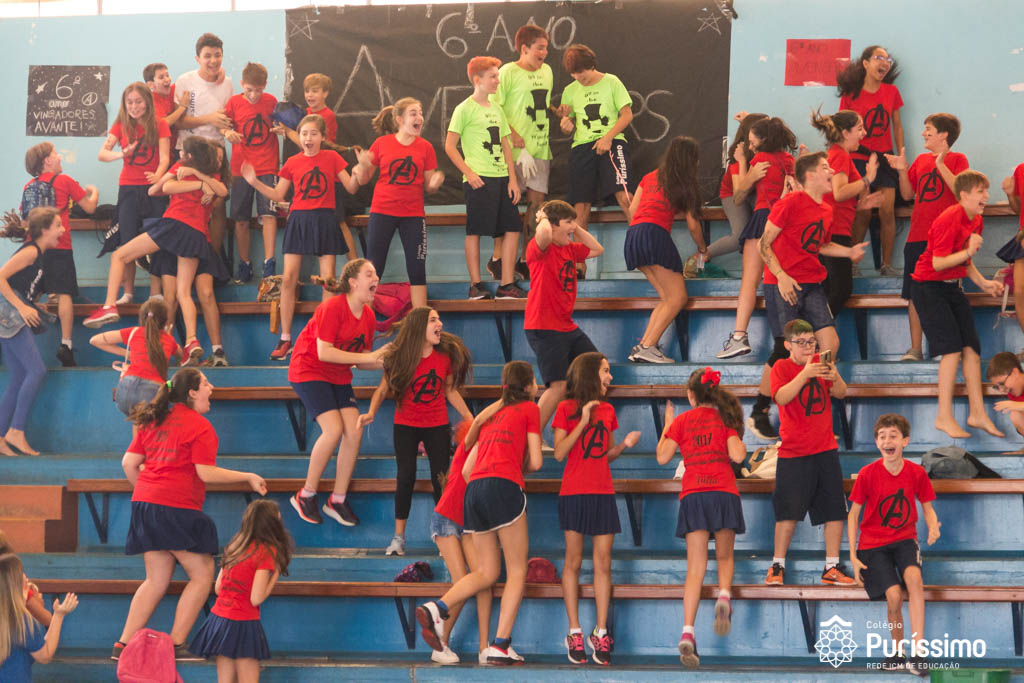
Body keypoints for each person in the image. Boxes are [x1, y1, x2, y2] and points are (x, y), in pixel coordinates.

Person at [113, 367, 267, 661]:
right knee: (203, 573)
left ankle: (121, 645)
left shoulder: (154, 418)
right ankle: (176, 644)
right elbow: (205, 472)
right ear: (193, 392)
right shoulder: (200, 426)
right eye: (206, 383)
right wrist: (247, 476)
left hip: (144, 504)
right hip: (176, 506)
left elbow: (128, 464)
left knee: (155, 580)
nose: (212, 388)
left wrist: (148, 490)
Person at [417, 361, 542, 665]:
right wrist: (516, 467)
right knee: (517, 570)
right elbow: (537, 462)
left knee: (487, 572)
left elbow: (468, 469)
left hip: (473, 491)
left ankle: (438, 607)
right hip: (503, 486)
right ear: (528, 386)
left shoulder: (491, 415)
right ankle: (500, 645)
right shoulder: (530, 408)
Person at [83, 137, 228, 371]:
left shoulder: (189, 169)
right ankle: (191, 341)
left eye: (183, 151)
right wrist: (200, 183)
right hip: (196, 234)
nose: (180, 153)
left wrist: (196, 178)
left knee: (119, 256)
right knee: (183, 292)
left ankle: (109, 305)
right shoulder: (207, 176)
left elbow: (166, 188)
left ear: (190, 156)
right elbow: (155, 189)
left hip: (174, 226)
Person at [243, 114, 360, 360]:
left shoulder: (332, 158)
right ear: (299, 136)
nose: (308, 138)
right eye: (304, 133)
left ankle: (324, 338)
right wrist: (254, 182)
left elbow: (351, 187)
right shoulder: (292, 162)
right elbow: (278, 194)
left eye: (314, 133)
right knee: (288, 279)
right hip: (299, 220)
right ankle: (285, 338)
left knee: (328, 280)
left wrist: (362, 170)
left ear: (322, 137)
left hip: (325, 219)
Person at [359, 307, 473, 555]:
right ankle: (398, 538)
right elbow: (382, 389)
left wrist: (469, 417)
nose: (440, 324)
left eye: (439, 319)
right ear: (419, 327)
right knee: (405, 477)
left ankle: (445, 535)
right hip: (406, 426)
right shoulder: (400, 357)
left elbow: (449, 390)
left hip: (437, 425)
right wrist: (371, 412)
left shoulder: (444, 357)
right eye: (433, 320)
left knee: (441, 479)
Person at [552, 352, 640, 666]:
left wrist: (624, 445)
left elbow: (605, 454)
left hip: (603, 493)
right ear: (590, 374)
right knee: (573, 562)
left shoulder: (608, 410)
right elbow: (559, 453)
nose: (610, 377)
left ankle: (600, 631)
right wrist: (583, 421)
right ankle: (574, 631)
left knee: (603, 563)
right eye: (605, 371)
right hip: (574, 493)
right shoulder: (565, 408)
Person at [656, 367, 746, 669]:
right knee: (725, 556)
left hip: (693, 495)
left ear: (691, 396)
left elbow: (662, 457)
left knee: (695, 568)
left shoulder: (682, 421)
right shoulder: (725, 418)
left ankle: (688, 632)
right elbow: (738, 456)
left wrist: (667, 426)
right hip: (723, 492)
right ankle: (724, 596)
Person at [288, 259, 386, 527]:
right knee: (332, 430)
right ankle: (306, 494)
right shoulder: (332, 307)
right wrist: (372, 357)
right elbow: (324, 352)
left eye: (376, 274)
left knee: (354, 430)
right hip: (309, 368)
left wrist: (386, 359)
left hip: (337, 373)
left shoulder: (368, 316)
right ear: (353, 282)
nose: (376, 278)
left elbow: (362, 360)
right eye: (369, 274)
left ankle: (337, 500)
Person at [909, 170, 1003, 439]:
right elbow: (939, 262)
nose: (986, 196)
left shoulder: (977, 220)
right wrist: (968, 251)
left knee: (971, 349)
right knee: (951, 350)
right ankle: (943, 416)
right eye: (980, 191)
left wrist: (984, 283)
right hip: (928, 287)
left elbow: (965, 261)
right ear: (963, 195)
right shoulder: (949, 217)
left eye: (986, 191)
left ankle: (977, 413)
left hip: (951, 287)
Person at [766, 319, 855, 587]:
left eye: (811, 342)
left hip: (825, 449)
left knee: (834, 511)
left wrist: (833, 375)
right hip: (794, 452)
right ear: (788, 345)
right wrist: (805, 374)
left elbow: (841, 392)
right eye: (801, 342)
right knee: (787, 513)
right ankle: (777, 565)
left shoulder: (820, 362)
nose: (808, 347)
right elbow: (781, 397)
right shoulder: (782, 367)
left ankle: (831, 566)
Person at [849, 413, 939, 676]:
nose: (887, 441)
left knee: (914, 579)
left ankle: (918, 653)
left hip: (904, 539)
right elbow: (853, 515)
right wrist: (853, 556)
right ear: (876, 442)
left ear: (905, 441)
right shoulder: (867, 474)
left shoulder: (916, 472)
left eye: (893, 436)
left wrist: (933, 525)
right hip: (872, 545)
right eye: (882, 436)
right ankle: (898, 653)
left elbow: (927, 507)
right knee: (895, 596)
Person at [885, 114, 969, 361]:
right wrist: (902, 171)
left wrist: (941, 164)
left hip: (946, 239)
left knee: (945, 291)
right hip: (917, 237)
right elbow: (907, 194)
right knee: (915, 293)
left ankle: (948, 348)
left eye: (929, 129)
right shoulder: (921, 160)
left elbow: (961, 192)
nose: (924, 133)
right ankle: (915, 348)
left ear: (944, 134)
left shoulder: (958, 159)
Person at [716, 116, 796, 363]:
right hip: (785, 222)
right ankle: (790, 339)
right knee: (780, 277)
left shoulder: (760, 159)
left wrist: (743, 163)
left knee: (749, 282)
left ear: (764, 140)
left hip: (763, 218)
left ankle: (739, 336)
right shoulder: (790, 160)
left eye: (752, 142)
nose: (750, 147)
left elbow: (739, 196)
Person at [146, 141, 232, 367]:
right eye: (214, 156)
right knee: (171, 296)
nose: (218, 161)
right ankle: (165, 350)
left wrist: (201, 179)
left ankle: (217, 351)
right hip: (174, 238)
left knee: (206, 293)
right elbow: (159, 189)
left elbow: (221, 193)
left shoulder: (214, 179)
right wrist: (179, 175)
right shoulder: (182, 171)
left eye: (221, 159)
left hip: (198, 242)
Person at [354, 98, 445, 309]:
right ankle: (364, 317)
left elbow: (429, 186)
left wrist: (434, 183)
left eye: (420, 113)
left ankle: (420, 320)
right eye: (413, 113)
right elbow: (363, 180)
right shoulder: (382, 144)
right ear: (399, 119)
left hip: (413, 215)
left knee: (417, 268)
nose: (419, 117)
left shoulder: (426, 148)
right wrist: (363, 166)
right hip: (382, 212)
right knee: (373, 266)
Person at [189, 499, 293, 682]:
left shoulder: (235, 545)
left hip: (219, 619)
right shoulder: (266, 551)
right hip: (243, 622)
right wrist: (275, 574)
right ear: (273, 521)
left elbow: (218, 588)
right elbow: (256, 598)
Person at [446, 56, 524, 300]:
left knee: (512, 228)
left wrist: (512, 179)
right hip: (479, 180)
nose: (497, 81)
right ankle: (475, 285)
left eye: (497, 76)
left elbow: (506, 145)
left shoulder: (497, 109)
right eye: (493, 76)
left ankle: (506, 284)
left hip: (502, 178)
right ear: (477, 80)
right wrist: (469, 173)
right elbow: (449, 146)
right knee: (475, 231)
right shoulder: (464, 109)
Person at [623, 136, 706, 363]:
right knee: (678, 298)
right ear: (691, 160)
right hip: (654, 235)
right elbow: (693, 225)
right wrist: (702, 248)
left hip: (633, 235)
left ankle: (643, 346)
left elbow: (632, 210)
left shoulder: (650, 176)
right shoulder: (685, 183)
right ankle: (648, 346)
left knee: (667, 297)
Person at [525, 200, 603, 429]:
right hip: (544, 327)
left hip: (566, 326)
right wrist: (543, 218)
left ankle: (577, 426)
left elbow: (597, 249)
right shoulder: (540, 249)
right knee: (557, 386)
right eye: (568, 222)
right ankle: (533, 437)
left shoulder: (570, 248)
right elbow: (544, 234)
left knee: (595, 368)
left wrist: (574, 227)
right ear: (552, 225)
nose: (572, 227)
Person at [21, 141, 98, 366]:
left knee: (30, 295)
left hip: (34, 248)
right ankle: (66, 344)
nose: (60, 157)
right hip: (60, 246)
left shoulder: (29, 186)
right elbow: (90, 208)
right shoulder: (65, 181)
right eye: (56, 154)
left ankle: (18, 336)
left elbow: (25, 220)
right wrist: (93, 192)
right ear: (47, 161)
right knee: (64, 294)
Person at [558, 43, 634, 262]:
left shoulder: (611, 82)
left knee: (625, 197)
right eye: (574, 74)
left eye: (581, 72)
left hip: (612, 142)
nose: (578, 77)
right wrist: (566, 124)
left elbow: (627, 115)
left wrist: (608, 137)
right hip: (582, 147)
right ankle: (579, 265)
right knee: (580, 206)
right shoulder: (570, 90)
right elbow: (567, 123)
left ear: (591, 65)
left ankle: (642, 247)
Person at [97, 81, 171, 303]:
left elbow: (165, 157)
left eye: (138, 101)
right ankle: (128, 292)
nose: (134, 106)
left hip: (154, 189)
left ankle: (155, 291)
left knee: (156, 239)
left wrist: (158, 175)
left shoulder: (160, 124)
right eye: (129, 102)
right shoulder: (120, 125)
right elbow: (103, 154)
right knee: (127, 239)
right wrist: (122, 154)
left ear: (147, 102)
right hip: (128, 188)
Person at [0, 207, 65, 456]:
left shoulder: (38, 255)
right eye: (58, 225)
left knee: (19, 375)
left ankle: (1, 436)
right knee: (36, 370)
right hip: (8, 313)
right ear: (45, 230)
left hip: (10, 311)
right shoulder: (30, 251)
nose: (63, 230)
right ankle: (16, 430)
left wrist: (31, 305)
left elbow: (18, 286)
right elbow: (0, 278)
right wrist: (21, 307)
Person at [491, 23, 553, 281]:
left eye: (546, 48)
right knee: (507, 206)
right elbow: (494, 108)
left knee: (536, 207)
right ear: (524, 49)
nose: (544, 53)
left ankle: (527, 259)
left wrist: (560, 112)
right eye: (539, 48)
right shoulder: (507, 72)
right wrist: (514, 136)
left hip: (539, 149)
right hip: (512, 151)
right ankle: (498, 259)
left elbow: (542, 105)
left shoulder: (547, 71)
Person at [428, 428, 493, 665]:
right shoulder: (470, 446)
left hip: (467, 522)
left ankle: (484, 648)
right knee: (462, 582)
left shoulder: (487, 453)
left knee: (484, 580)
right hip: (446, 518)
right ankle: (440, 644)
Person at [838, 45, 904, 276]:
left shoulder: (891, 92)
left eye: (887, 59)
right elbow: (840, 128)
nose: (884, 62)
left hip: (885, 157)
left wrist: (900, 155)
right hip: (858, 158)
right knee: (863, 211)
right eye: (878, 58)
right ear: (865, 63)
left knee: (887, 212)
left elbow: (897, 126)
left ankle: (886, 265)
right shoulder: (850, 95)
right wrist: (842, 157)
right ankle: (852, 264)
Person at [810, 108, 883, 315]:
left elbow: (837, 198)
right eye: (859, 128)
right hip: (833, 231)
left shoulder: (838, 155)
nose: (864, 133)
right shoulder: (839, 155)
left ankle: (817, 328)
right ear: (845, 133)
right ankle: (817, 328)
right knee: (841, 290)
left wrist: (861, 204)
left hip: (833, 227)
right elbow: (840, 192)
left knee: (830, 289)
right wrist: (867, 179)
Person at [175, 32, 233, 252]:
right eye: (207, 56)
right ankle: (188, 257)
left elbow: (227, 120)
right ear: (197, 58)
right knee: (189, 207)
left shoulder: (227, 83)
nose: (213, 60)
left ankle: (214, 259)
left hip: (217, 153)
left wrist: (226, 129)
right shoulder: (185, 81)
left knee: (217, 206)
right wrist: (209, 118)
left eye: (217, 55)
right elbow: (178, 122)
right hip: (190, 152)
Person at [223, 62, 279, 284]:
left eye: (258, 90)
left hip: (267, 166)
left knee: (269, 215)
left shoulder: (272, 102)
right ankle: (244, 264)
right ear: (241, 84)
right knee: (240, 219)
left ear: (265, 86)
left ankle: (269, 264)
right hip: (241, 168)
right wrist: (227, 132)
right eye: (249, 90)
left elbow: (284, 124)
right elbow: (222, 125)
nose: (254, 95)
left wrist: (282, 129)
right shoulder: (234, 102)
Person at [89, 298, 180, 435]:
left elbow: (94, 340)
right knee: (154, 421)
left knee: (138, 420)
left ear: (142, 317)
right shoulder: (169, 340)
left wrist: (128, 354)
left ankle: (136, 447)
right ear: (166, 321)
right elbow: (182, 356)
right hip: (151, 393)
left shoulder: (134, 332)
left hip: (124, 391)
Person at [699, 112, 768, 274]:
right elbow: (739, 195)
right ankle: (701, 257)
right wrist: (743, 161)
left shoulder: (765, 151)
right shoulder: (739, 158)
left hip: (752, 190)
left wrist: (745, 120)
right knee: (739, 237)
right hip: (734, 194)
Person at [0, 553, 77, 682]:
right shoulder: (21, 620)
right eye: (25, 584)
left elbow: (38, 646)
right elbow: (44, 655)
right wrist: (59, 615)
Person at [999, 161, 1024, 351]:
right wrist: (1009, 193)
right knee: (1020, 292)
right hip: (1023, 236)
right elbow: (1018, 209)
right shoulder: (1020, 170)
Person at [143, 62, 187, 158]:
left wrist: (218, 73)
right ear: (151, 85)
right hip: (160, 154)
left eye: (167, 75)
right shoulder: (152, 101)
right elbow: (164, 123)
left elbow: (190, 81)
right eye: (161, 77)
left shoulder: (173, 90)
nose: (167, 79)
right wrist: (182, 107)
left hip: (175, 150)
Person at [986, 352, 1024, 450]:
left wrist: (1018, 405)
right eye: (997, 387)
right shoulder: (1013, 393)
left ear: (1015, 373)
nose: (1002, 390)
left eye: (1002, 383)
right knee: (1016, 414)